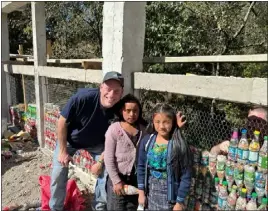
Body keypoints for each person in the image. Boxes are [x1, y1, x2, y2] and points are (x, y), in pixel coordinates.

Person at [49, 71, 124, 211]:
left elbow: (112, 142)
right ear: (101, 87)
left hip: (97, 144)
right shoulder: (84, 97)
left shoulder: (120, 111)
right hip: (71, 140)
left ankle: (99, 207)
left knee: (109, 170)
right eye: (108, 89)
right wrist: (63, 151)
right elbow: (61, 122)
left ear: (121, 92)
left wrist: (101, 162)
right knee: (58, 172)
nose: (111, 94)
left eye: (117, 91)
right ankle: (55, 208)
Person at [137, 104, 193, 211]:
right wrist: (141, 193)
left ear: (173, 122)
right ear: (153, 121)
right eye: (157, 122)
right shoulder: (147, 141)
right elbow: (141, 167)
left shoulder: (179, 144)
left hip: (170, 194)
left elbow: (186, 175)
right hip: (150, 192)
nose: (161, 126)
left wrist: (179, 202)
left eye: (166, 122)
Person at [104, 94, 147, 210]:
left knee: (132, 207)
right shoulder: (114, 129)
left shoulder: (144, 130)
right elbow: (108, 159)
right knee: (116, 207)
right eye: (128, 110)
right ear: (121, 111)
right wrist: (116, 181)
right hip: (118, 179)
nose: (132, 114)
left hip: (135, 181)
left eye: (135, 111)